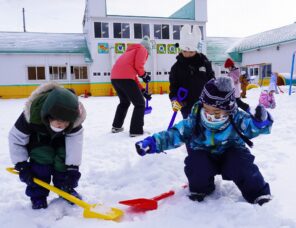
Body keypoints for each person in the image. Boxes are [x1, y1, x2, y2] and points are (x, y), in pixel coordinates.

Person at [135, 76, 273, 206]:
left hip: (231, 152)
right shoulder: (195, 119)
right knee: (196, 163)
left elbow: (252, 127)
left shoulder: (237, 117)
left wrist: (260, 122)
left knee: (242, 164)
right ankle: (201, 188)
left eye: (217, 112)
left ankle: (258, 193)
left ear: (228, 108)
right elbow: (175, 134)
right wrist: (153, 143)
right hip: (203, 152)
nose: (210, 115)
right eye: (207, 109)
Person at [8, 82, 86, 209]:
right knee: (42, 160)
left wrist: (73, 168)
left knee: (63, 159)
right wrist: (22, 165)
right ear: (47, 115)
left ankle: (65, 189)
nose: (63, 126)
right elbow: (16, 139)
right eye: (59, 122)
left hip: (61, 141)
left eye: (67, 123)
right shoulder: (31, 116)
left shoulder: (74, 119)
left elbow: (75, 144)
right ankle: (38, 196)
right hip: (38, 140)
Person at [169, 24, 215, 119]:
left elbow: (212, 79)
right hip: (186, 104)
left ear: (196, 51)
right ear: (181, 50)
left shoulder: (204, 63)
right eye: (185, 51)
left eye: (191, 52)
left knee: (205, 127)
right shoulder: (176, 67)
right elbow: (173, 86)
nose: (188, 54)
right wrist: (174, 99)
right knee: (190, 128)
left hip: (205, 104)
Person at [111, 36, 152, 137]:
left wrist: (142, 90)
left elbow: (133, 76)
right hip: (125, 78)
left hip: (115, 78)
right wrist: (144, 75)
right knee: (140, 104)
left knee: (124, 102)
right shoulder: (142, 49)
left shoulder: (129, 52)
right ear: (147, 49)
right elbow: (139, 66)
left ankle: (116, 126)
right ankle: (136, 130)